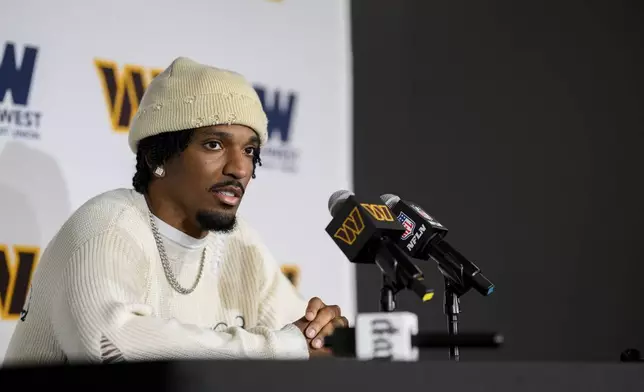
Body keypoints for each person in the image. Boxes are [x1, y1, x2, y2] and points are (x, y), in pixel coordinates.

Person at [3, 57, 348, 365]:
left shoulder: (241, 245)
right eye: (214, 144)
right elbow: (111, 347)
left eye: (249, 150)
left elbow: (302, 340)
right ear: (157, 156)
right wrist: (281, 347)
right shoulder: (107, 226)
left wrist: (323, 333)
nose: (239, 169)